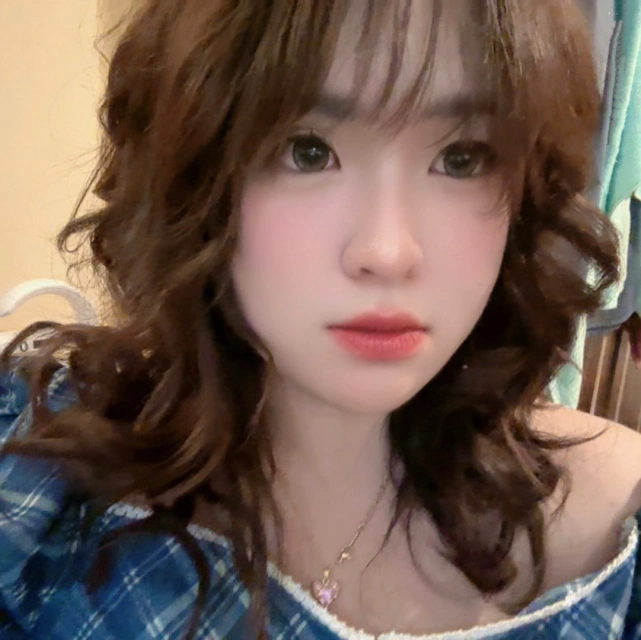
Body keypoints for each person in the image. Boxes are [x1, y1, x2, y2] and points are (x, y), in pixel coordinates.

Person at [1, 0, 640, 638]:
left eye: (462, 158)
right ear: (195, 174)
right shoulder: (40, 492)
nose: (388, 252)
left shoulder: (615, 535)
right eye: (308, 152)